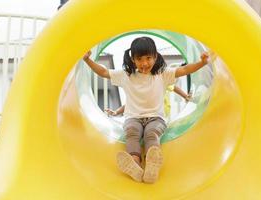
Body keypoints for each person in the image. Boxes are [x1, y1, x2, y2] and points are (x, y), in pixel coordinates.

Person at [83, 36, 209, 183]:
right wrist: (87, 60)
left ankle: (151, 165)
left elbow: (185, 69)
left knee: (151, 133)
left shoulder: (162, 74)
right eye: (139, 59)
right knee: (131, 132)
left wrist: (202, 62)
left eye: (148, 58)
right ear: (133, 60)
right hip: (133, 117)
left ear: (155, 57)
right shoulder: (127, 76)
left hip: (156, 118)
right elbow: (104, 72)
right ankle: (135, 164)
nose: (144, 63)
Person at [105, 85, 192, 117]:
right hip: (144, 115)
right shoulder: (140, 90)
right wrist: (116, 112)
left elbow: (173, 87)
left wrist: (185, 96)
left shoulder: (158, 82)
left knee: (155, 130)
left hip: (161, 114)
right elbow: (129, 104)